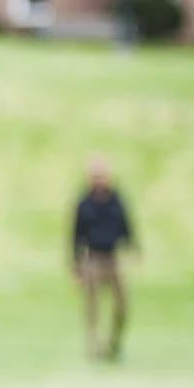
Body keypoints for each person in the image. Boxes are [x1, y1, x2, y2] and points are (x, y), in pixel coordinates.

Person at [71, 155, 137, 361]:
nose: (99, 179)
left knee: (121, 305)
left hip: (113, 258)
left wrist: (133, 247)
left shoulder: (116, 199)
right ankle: (94, 348)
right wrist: (77, 266)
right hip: (93, 258)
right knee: (92, 306)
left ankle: (114, 345)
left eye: (102, 175)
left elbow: (126, 225)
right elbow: (75, 234)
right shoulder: (84, 203)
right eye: (95, 175)